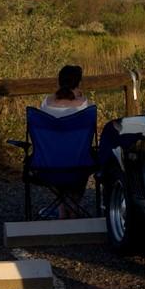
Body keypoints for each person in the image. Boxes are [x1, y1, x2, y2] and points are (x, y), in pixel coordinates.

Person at [38, 64, 93, 218]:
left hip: (48, 163)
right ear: (78, 83)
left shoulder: (46, 103)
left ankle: (63, 207)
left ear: (59, 82)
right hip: (78, 163)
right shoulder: (83, 105)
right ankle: (72, 207)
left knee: (61, 159)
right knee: (81, 161)